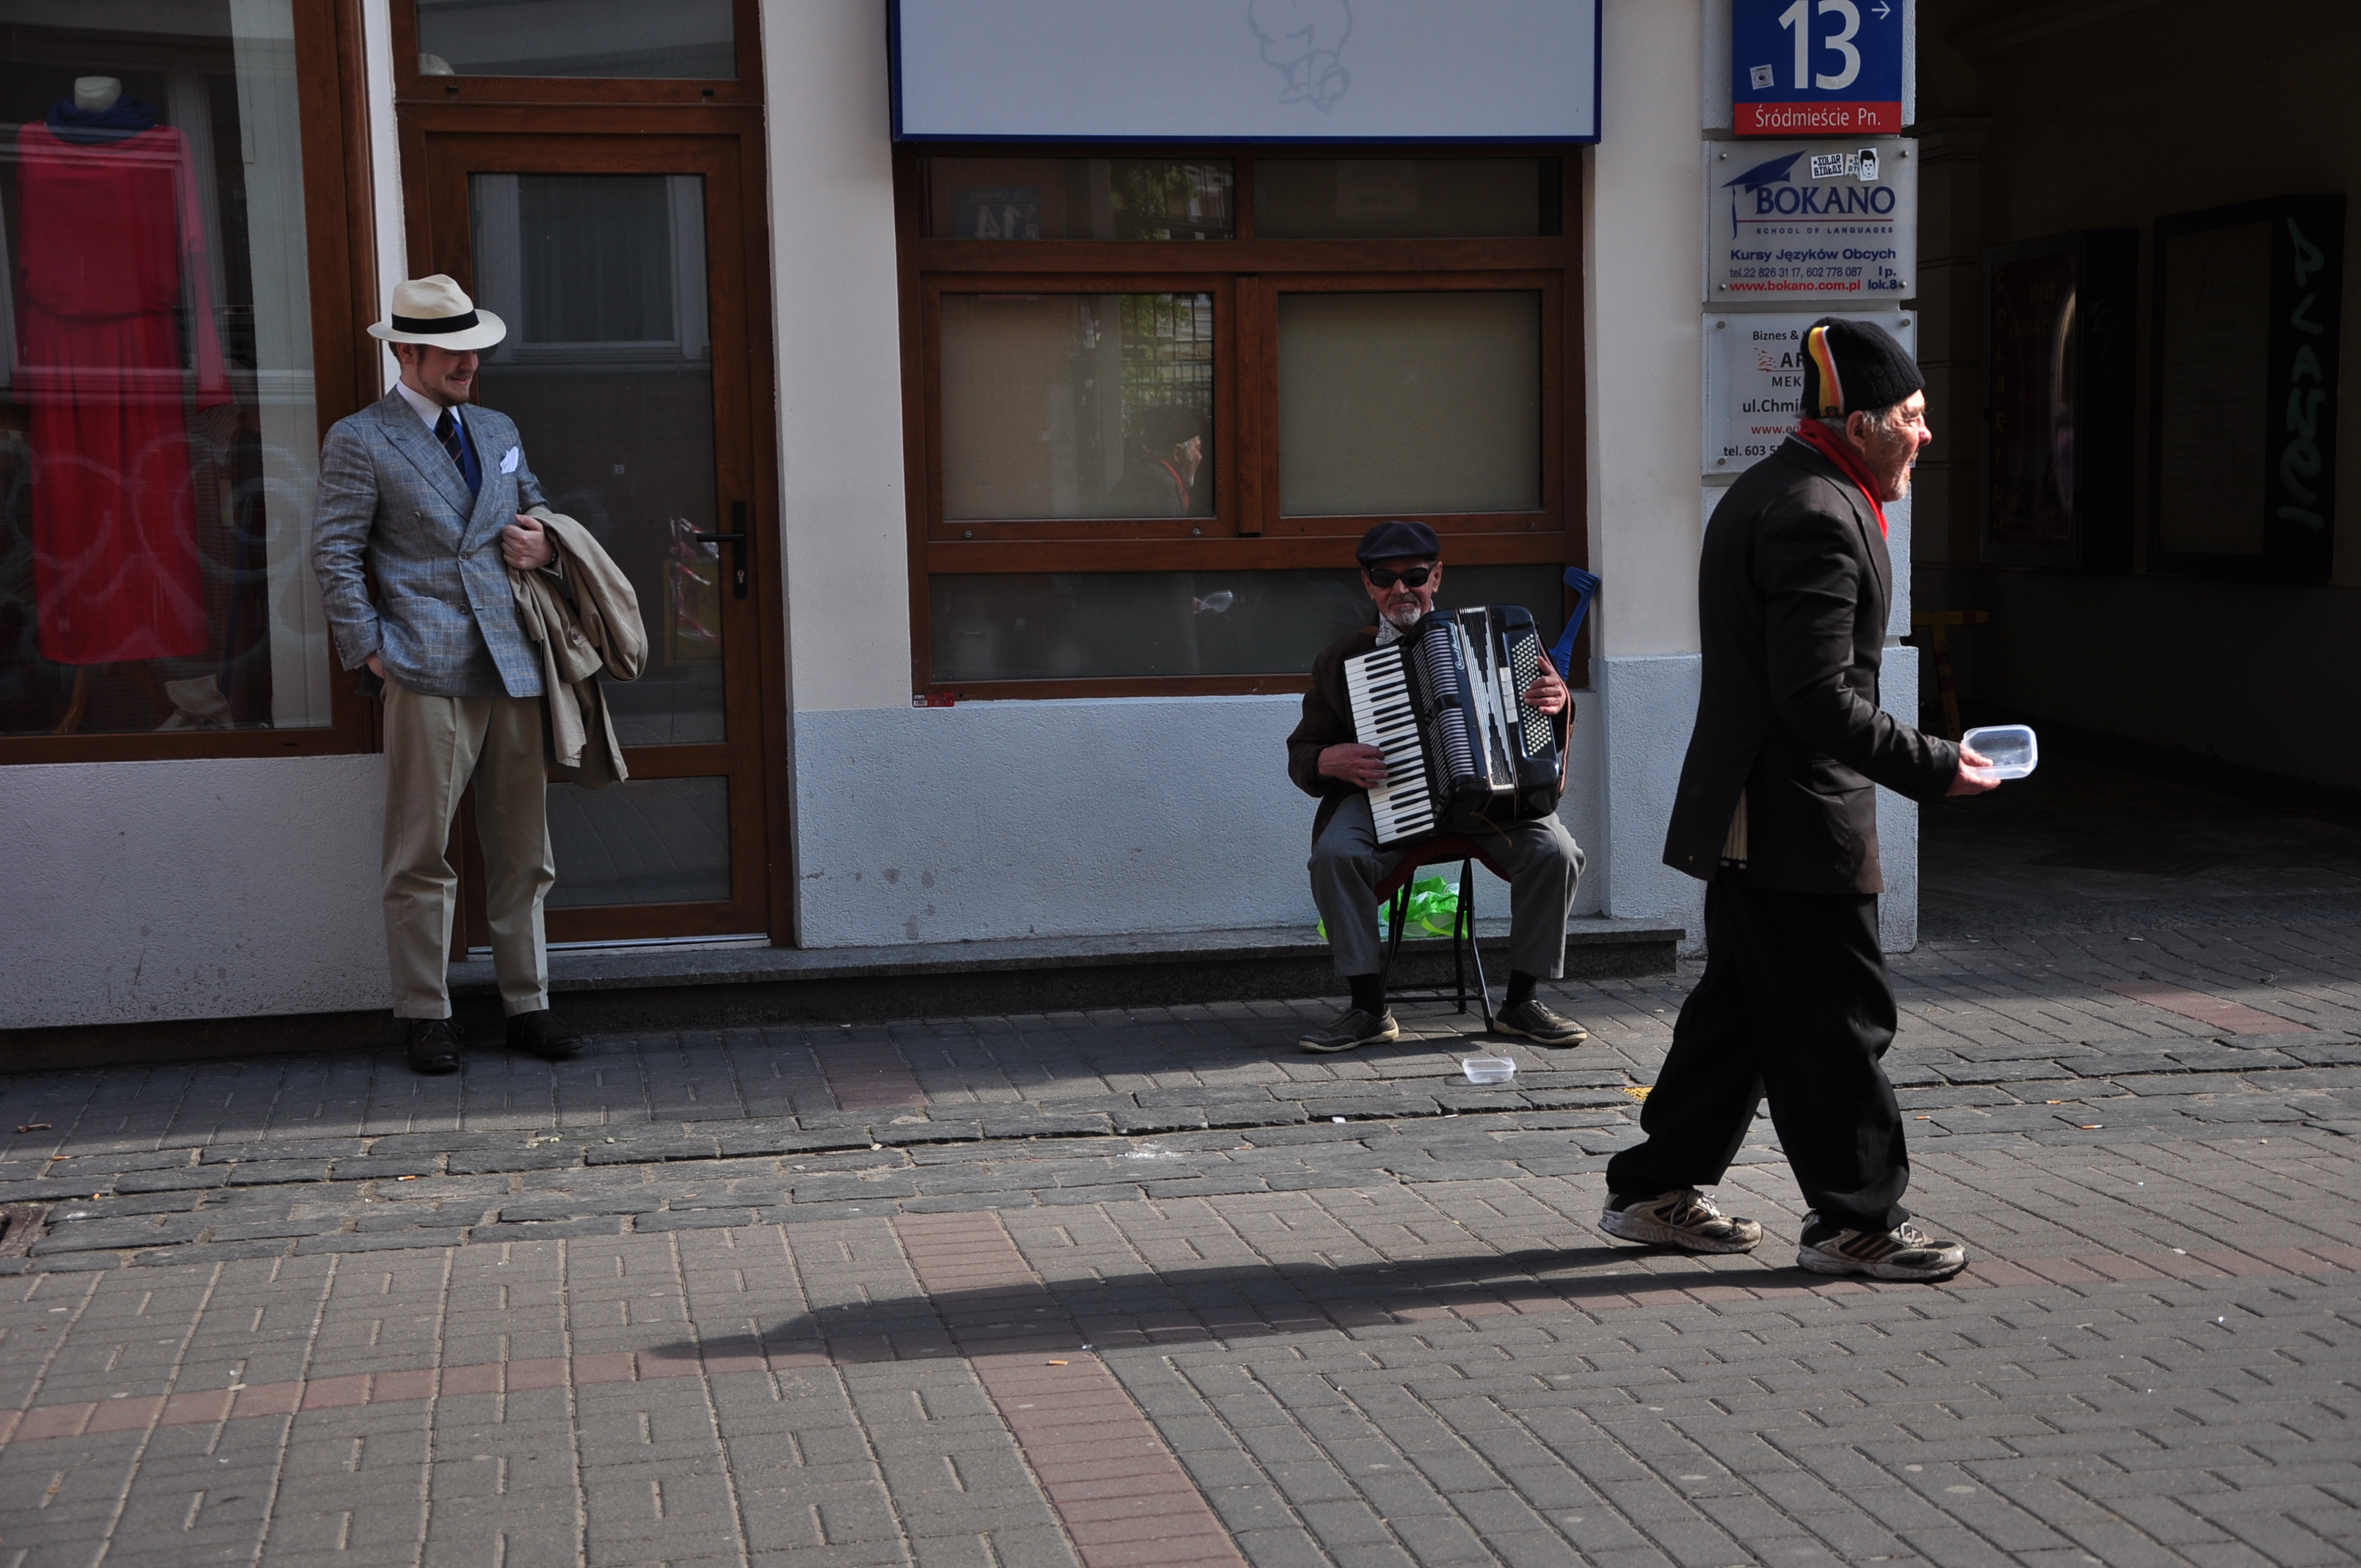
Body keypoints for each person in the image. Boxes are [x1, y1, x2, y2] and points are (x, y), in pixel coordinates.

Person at [1597, 319, 2000, 1282]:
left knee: (1742, 1010)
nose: (1925, 435)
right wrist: (1936, 763)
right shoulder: (1817, 512)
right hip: (1790, 815)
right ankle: (1856, 1220)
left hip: (1758, 808)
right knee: (1836, 1019)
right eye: (1911, 415)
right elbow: (1814, 696)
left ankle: (1657, 1188)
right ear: (1859, 424)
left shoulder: (1779, 488)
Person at [311, 275, 585, 1075]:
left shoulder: (497, 425)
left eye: (476, 348)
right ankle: (425, 1014)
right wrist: (369, 647)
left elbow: (538, 510)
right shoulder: (360, 438)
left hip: (516, 662)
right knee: (422, 851)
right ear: (406, 351)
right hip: (424, 665)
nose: (471, 363)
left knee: (523, 849)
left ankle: (527, 1004)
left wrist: (548, 546)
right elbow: (334, 549)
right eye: (454, 352)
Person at [1285, 520, 1589, 1053]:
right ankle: (1367, 1008)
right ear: (1368, 584)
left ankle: (1521, 1002)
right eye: (1385, 577)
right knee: (1335, 855)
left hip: (1489, 802)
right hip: (1385, 797)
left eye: (1415, 575)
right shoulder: (1341, 660)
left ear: (1438, 576)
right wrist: (1329, 760)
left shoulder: (1502, 639)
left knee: (1557, 851)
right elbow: (1303, 753)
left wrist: (1559, 702)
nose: (1401, 589)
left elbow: (1542, 719)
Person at [1106, 404, 1208, 517]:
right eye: (1197, 449)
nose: (1200, 457)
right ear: (1177, 453)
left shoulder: (1152, 476)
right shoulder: (1160, 486)